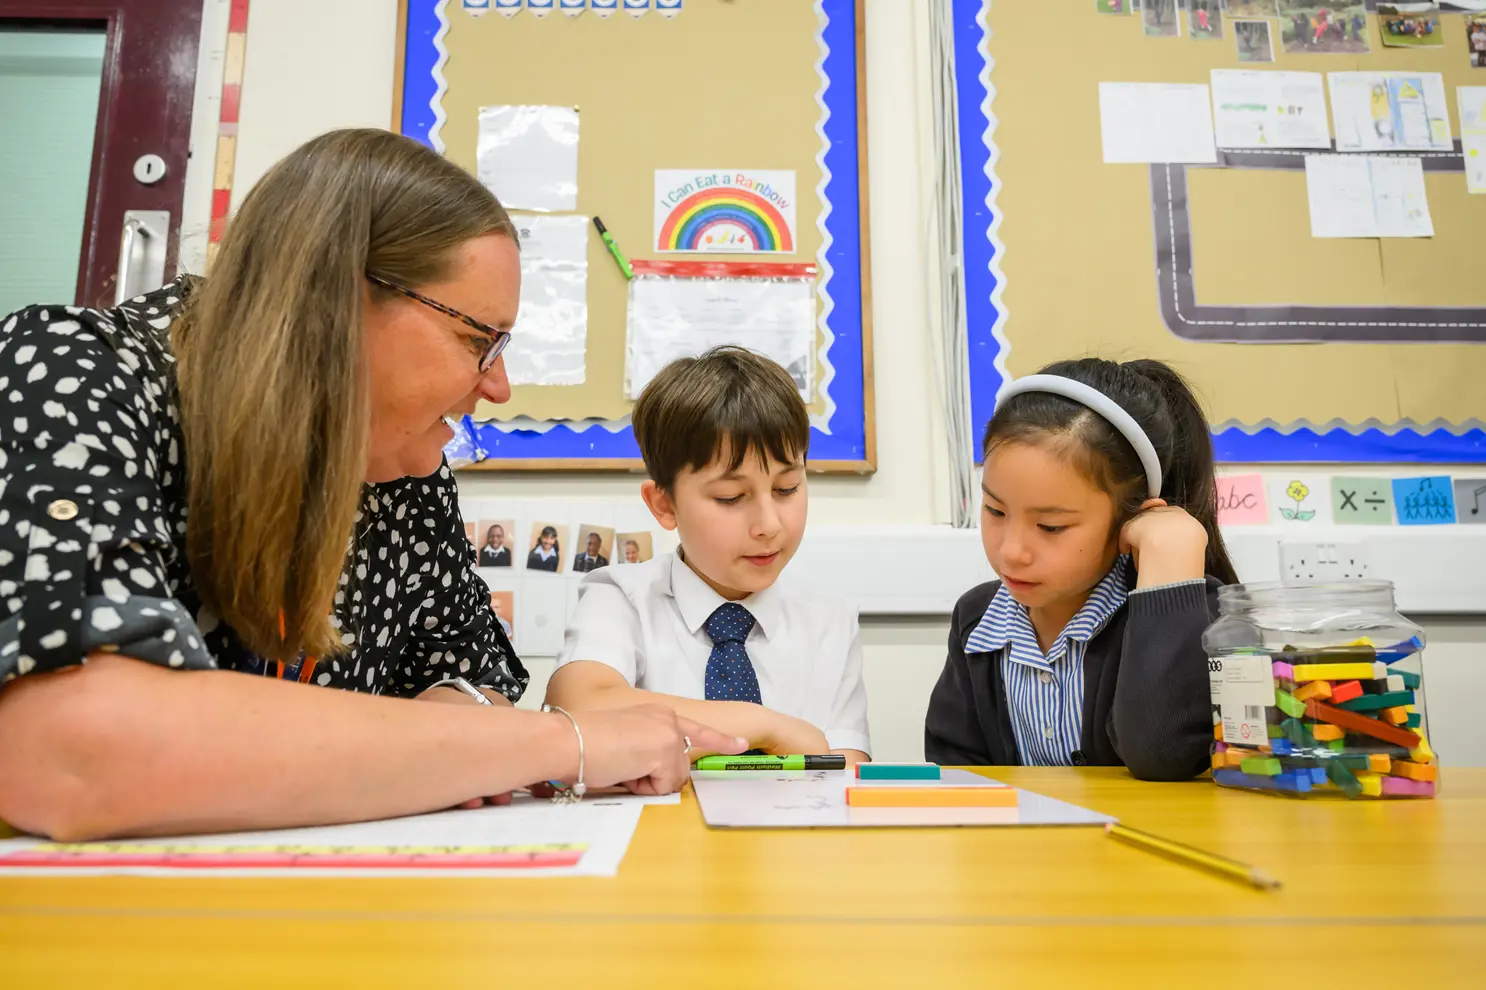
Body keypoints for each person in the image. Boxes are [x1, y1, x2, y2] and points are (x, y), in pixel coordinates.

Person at [0, 129, 743, 841]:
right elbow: (73, 745)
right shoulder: (74, 372)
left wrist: (458, 717)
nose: (500, 387)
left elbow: (471, 670)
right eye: (479, 340)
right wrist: (566, 746)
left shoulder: (396, 465)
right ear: (334, 301)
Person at [545, 347, 871, 763]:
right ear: (663, 504)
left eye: (787, 488)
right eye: (731, 497)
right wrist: (765, 726)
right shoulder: (623, 598)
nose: (768, 524)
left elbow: (844, 769)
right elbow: (577, 709)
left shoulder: (830, 621)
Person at [923, 358, 1237, 781]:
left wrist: (1170, 554)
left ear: (1134, 520)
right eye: (995, 510)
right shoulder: (979, 620)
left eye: (1051, 527)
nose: (1012, 552)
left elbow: (1164, 755)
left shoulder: (1194, 613)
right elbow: (957, 771)